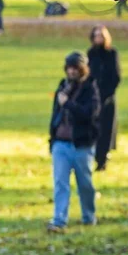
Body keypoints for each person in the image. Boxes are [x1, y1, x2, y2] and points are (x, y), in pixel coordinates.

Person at [48, 52, 100, 232]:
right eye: (69, 68)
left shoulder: (90, 89)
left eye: (75, 68)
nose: (71, 72)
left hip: (81, 145)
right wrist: (52, 139)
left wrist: (69, 104)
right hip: (61, 143)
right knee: (60, 183)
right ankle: (59, 220)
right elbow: (55, 113)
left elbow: (90, 114)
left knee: (85, 184)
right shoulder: (63, 87)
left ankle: (89, 216)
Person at [87, 26, 120, 172]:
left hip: (107, 99)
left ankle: (103, 158)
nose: (98, 38)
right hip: (93, 98)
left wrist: (107, 94)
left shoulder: (112, 53)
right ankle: (93, 156)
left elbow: (116, 76)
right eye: (96, 36)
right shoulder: (91, 53)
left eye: (101, 35)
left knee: (106, 129)